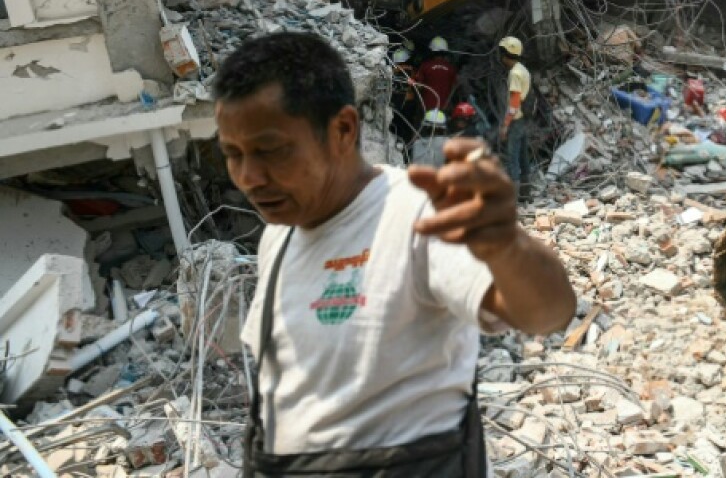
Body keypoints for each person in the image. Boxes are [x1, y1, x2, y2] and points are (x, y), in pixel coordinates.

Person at [214, 32, 575, 477]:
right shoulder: (278, 237)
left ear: (343, 130)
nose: (248, 177)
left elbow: (546, 313)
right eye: (233, 154)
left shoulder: (419, 215)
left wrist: (507, 246)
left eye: (271, 151)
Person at [497, 36, 532, 201]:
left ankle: (513, 200)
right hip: (524, 119)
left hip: (516, 120)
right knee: (524, 157)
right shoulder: (523, 69)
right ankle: (526, 193)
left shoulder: (515, 74)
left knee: (512, 159)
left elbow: (514, 101)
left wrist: (505, 125)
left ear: (506, 54)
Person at [414, 36, 459, 114]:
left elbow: (418, 85)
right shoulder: (451, 68)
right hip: (445, 107)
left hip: (426, 106)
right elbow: (455, 87)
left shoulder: (425, 66)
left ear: (432, 51)